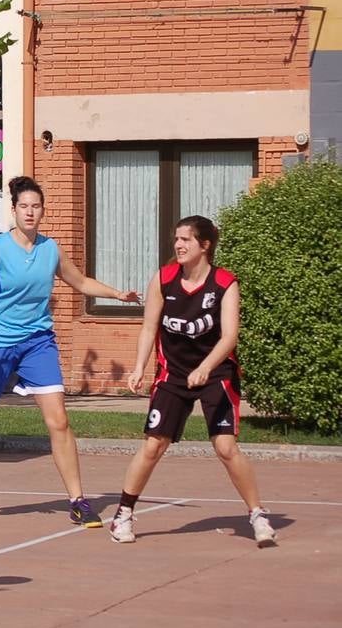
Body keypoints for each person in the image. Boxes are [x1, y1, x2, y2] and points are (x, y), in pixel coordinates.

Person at [0, 176, 140, 529]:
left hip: (37, 343)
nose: (30, 212)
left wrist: (117, 294)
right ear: (14, 210)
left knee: (59, 421)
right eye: (24, 207)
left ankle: (78, 501)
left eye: (36, 206)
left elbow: (80, 282)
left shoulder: (51, 249)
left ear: (43, 211)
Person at [110, 216, 276, 547]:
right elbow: (148, 328)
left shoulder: (225, 283)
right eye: (176, 239)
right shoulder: (164, 279)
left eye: (186, 239)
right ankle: (123, 515)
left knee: (225, 447)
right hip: (172, 373)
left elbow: (229, 337)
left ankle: (257, 514)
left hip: (215, 372)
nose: (178, 245)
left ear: (205, 245)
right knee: (154, 444)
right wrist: (139, 367)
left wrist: (206, 366)